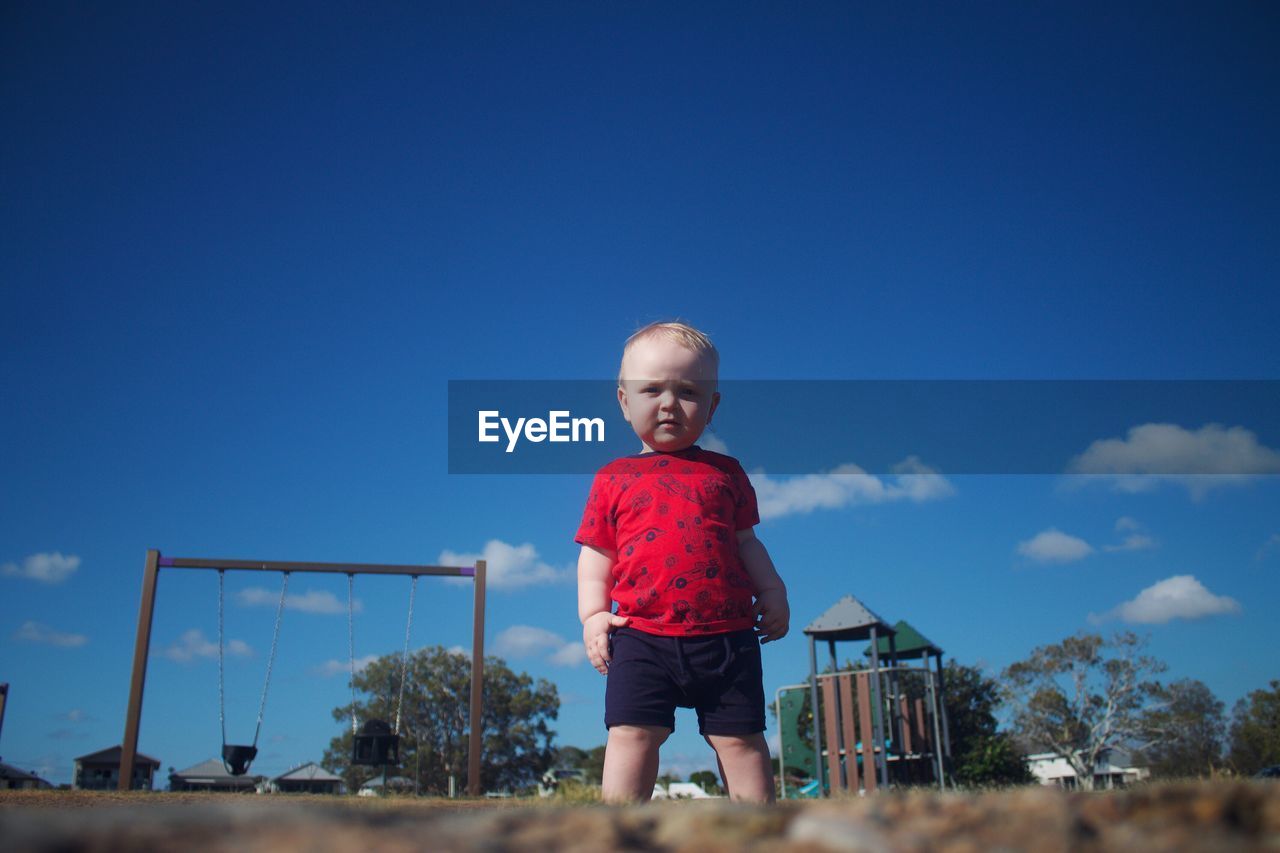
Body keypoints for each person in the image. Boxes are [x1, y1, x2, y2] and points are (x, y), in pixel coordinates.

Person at [575, 321, 789, 803]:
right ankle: (620, 831)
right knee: (631, 733)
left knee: (740, 739)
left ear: (712, 407)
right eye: (651, 389)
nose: (669, 403)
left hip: (728, 636)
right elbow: (596, 555)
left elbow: (747, 542)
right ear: (624, 401)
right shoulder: (614, 478)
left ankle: (760, 832)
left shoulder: (726, 473)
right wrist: (592, 616)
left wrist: (773, 591)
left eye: (688, 391)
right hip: (640, 634)